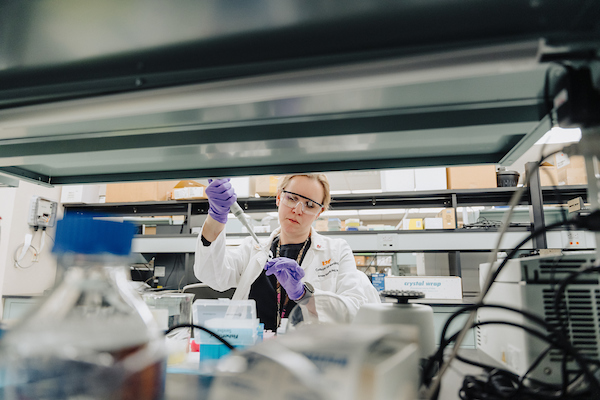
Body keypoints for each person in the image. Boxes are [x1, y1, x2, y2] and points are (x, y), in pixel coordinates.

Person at [194, 174, 381, 332]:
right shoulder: (252, 248)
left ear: (319, 212)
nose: (297, 210)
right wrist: (216, 216)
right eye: (292, 198)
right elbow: (212, 275)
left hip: (310, 360)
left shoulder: (337, 251)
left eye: (310, 205)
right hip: (252, 355)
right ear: (278, 198)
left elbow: (353, 310)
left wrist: (304, 295)